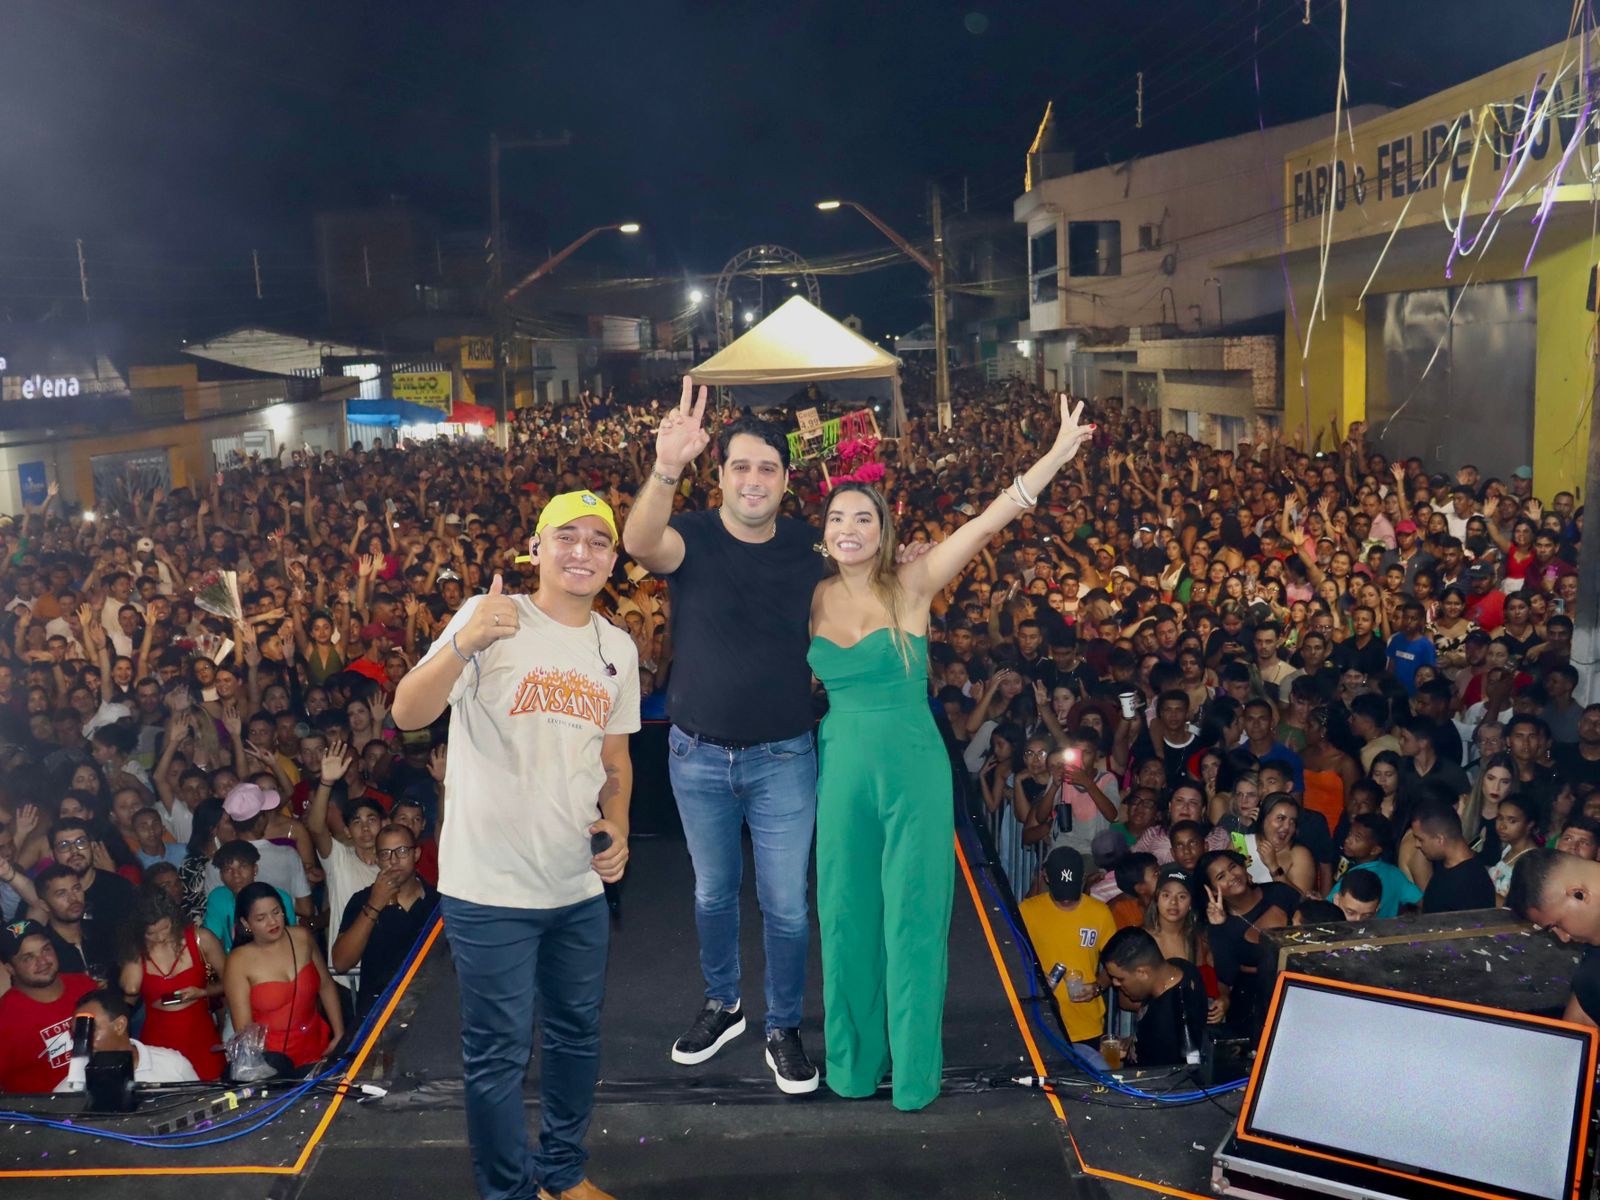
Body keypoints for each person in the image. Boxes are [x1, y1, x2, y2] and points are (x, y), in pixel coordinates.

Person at [806, 394, 1094, 1111]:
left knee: (911, 919)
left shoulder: (913, 582)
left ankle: (913, 1073)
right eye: (838, 518)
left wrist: (1054, 457)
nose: (849, 527)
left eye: (863, 518)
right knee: (844, 919)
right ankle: (850, 1064)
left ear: (884, 531)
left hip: (912, 771)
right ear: (824, 532)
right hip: (840, 767)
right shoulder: (807, 598)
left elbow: (991, 519)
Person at [393, 489, 638, 1200]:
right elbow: (409, 712)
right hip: (489, 887)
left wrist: (617, 825)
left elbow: (615, 765)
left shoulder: (615, 647)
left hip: (576, 886)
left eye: (598, 540)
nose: (582, 552)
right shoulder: (490, 617)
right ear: (537, 548)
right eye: (567, 537)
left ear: (614, 559)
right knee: (497, 1056)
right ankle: (507, 1191)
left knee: (574, 1039)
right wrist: (466, 642)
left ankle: (562, 1175)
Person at [223, 882, 343, 1072]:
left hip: (318, 1045)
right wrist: (266, 1068)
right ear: (246, 923)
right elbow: (245, 1030)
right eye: (261, 917)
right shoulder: (238, 961)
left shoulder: (302, 937)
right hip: (273, 1060)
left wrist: (339, 1033)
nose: (272, 922)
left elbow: (326, 985)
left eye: (277, 912)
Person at [1020, 847, 1118, 1065]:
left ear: (1082, 878)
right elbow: (1011, 959)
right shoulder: (1027, 911)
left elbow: (1117, 963)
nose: (1066, 901)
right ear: (1045, 876)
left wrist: (1098, 987)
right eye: (1060, 890)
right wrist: (1033, 980)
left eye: (1071, 890)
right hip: (1042, 1020)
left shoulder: (1099, 913)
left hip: (1087, 1024)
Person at [331, 823, 438, 1018]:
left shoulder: (437, 902)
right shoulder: (362, 900)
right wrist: (375, 904)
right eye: (386, 854)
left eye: (402, 851)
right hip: (377, 1014)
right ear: (378, 860)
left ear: (416, 854)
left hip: (427, 1013)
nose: (394, 860)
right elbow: (341, 962)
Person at [118, 892, 227, 1080]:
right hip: (158, 1042)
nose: (160, 937)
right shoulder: (138, 951)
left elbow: (231, 982)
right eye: (150, 933)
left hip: (200, 1037)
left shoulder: (201, 939)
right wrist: (138, 948)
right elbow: (130, 989)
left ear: (174, 920)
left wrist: (202, 992)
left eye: (165, 928)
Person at [0, 920, 97, 1092]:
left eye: (46, 949)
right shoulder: (5, 1018)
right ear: (10, 968)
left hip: (102, 1100)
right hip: (46, 1115)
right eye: (28, 957)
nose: (42, 961)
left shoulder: (85, 986)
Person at [1097, 926, 1208, 1067]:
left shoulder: (1165, 1025)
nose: (1115, 984)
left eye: (1120, 978)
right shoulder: (1180, 966)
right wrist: (1133, 1041)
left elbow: (1157, 1079)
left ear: (1142, 973)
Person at [54, 988, 198, 1090]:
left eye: (90, 1030)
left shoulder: (172, 1064)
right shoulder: (68, 1090)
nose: (82, 1042)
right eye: (77, 1034)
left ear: (120, 1025)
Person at [202, 839, 296, 953]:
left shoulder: (278, 898)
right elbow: (209, 938)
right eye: (228, 869)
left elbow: (289, 941)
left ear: (255, 869)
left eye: (243, 866)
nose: (236, 875)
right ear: (221, 876)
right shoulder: (218, 898)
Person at [33, 864, 117, 983]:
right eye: (61, 894)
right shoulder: (45, 951)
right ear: (45, 905)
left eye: (76, 889)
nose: (73, 898)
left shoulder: (103, 932)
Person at [1410, 800, 1496, 913]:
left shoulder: (1471, 885)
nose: (1417, 845)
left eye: (1421, 839)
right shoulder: (1443, 863)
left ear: (1440, 839)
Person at [1328, 813, 1421, 917]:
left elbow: (1328, 910)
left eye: (1357, 838)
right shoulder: (1395, 874)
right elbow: (1420, 901)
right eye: (1350, 833)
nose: (1347, 840)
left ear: (1375, 850)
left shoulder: (1352, 879)